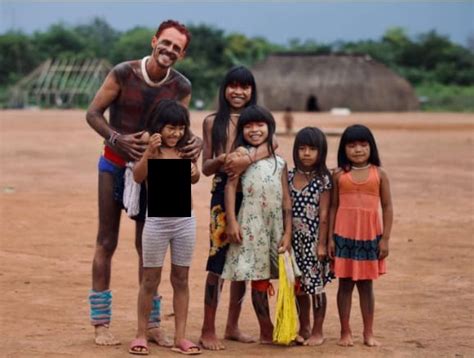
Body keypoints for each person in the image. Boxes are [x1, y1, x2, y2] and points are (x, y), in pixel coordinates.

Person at [86, 20, 201, 346]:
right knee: (106, 242)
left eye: (176, 48)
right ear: (154, 41)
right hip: (114, 163)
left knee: (146, 248)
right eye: (165, 43)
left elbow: (179, 129)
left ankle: (151, 325)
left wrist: (198, 144)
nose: (169, 51)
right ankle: (101, 323)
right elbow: (93, 113)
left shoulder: (181, 86)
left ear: (182, 53)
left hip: (157, 173)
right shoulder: (124, 73)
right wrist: (116, 138)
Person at [200, 66, 275, 350]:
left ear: (252, 90)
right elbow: (205, 167)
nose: (238, 92)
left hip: (255, 196)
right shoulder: (211, 122)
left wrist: (248, 158)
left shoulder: (258, 119)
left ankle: (232, 325)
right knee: (218, 260)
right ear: (224, 89)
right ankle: (208, 328)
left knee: (244, 261)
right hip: (222, 197)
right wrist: (221, 160)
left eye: (245, 87)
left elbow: (274, 145)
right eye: (233, 85)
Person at [129, 100, 201, 355]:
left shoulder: (185, 151)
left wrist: (193, 171)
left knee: (181, 278)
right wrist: (149, 152)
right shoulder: (153, 150)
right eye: (171, 128)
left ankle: (181, 336)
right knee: (150, 279)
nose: (176, 134)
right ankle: (141, 333)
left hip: (184, 221)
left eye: (181, 128)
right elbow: (138, 176)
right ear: (159, 127)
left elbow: (195, 177)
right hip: (157, 222)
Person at [221, 105, 292, 344]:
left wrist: (288, 232)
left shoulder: (280, 162)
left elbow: (286, 199)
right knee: (256, 276)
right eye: (248, 126)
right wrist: (231, 221)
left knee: (283, 276)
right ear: (242, 130)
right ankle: (266, 328)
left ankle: (289, 324)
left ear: (269, 128)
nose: (254, 130)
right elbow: (230, 187)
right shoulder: (239, 155)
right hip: (251, 226)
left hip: (275, 227)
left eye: (260, 125)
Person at [328, 124, 393, 347]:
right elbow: (333, 207)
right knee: (344, 285)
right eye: (352, 145)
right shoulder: (338, 175)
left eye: (363, 145)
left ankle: (368, 332)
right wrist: (329, 239)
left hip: (369, 237)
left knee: (366, 286)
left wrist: (385, 239)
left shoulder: (379, 174)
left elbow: (387, 206)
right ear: (343, 148)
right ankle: (345, 331)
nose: (358, 150)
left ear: (371, 147)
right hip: (343, 236)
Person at [288, 127, 333, 346]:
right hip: (293, 242)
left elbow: (324, 214)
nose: (306, 153)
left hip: (314, 242)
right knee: (299, 288)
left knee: (315, 287)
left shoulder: (323, 179)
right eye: (302, 148)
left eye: (312, 149)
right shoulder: (288, 176)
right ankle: (303, 326)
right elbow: (285, 210)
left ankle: (318, 330)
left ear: (321, 152)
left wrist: (322, 244)